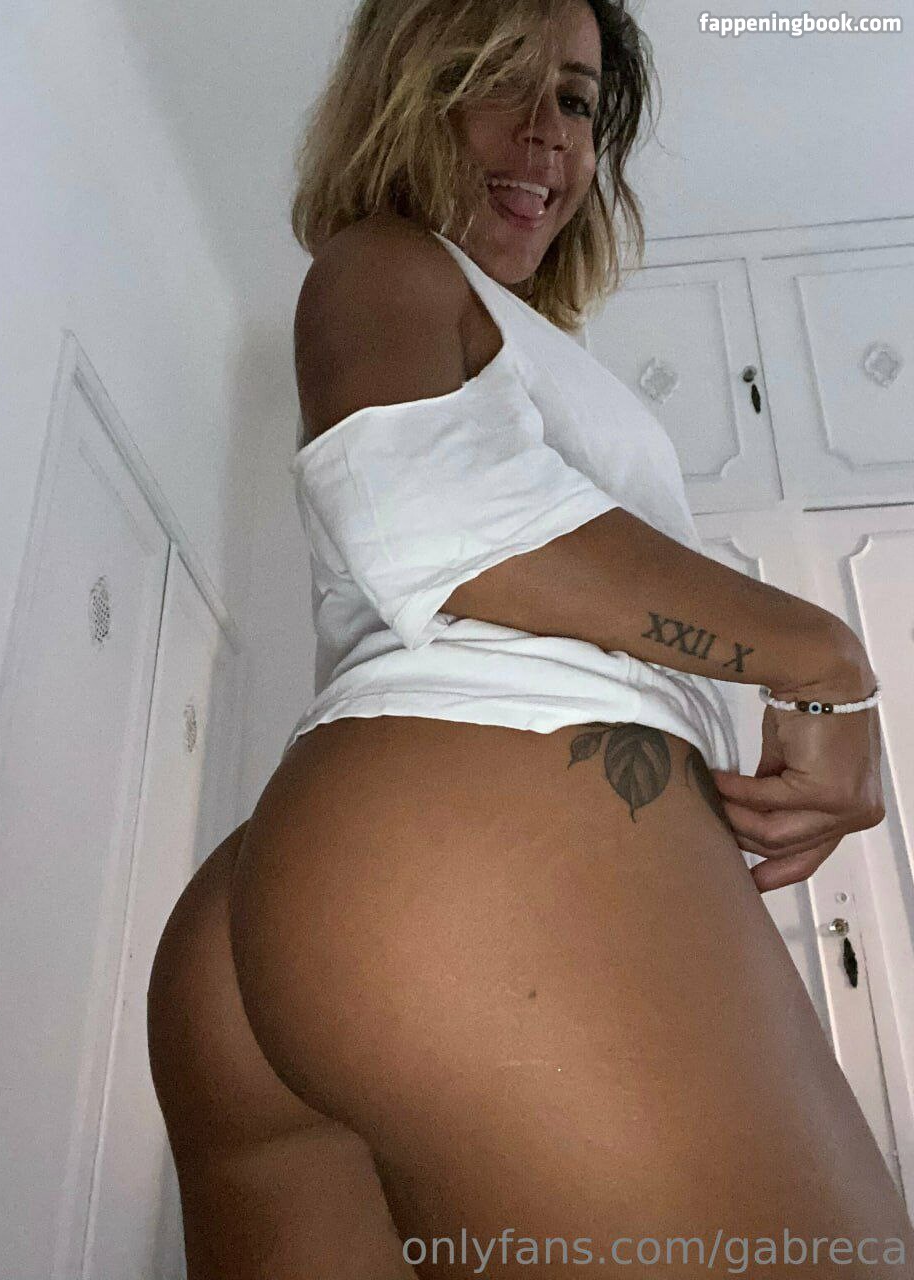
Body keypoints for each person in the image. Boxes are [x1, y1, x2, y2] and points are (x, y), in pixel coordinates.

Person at [146, 1, 914, 1276]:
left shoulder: (504, 334)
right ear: (405, 94)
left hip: (312, 909)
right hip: (485, 843)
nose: (548, 134)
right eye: (496, 77)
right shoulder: (388, 261)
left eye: (576, 100)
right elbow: (429, 515)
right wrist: (822, 658)